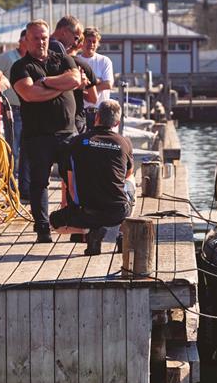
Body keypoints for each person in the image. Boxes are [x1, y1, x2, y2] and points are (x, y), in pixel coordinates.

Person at [10, 19, 81, 244]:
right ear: (26, 40)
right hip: (38, 136)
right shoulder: (20, 67)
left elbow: (76, 79)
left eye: (44, 37)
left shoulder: (63, 58)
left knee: (73, 180)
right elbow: (30, 94)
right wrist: (60, 88)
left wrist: (47, 82)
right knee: (39, 182)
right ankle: (42, 228)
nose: (41, 42)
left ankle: (73, 223)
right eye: (36, 38)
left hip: (67, 133)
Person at [50, 99, 134, 255]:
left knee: (54, 223)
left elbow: (69, 181)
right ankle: (122, 233)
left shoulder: (75, 142)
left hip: (86, 212)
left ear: (97, 118)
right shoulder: (124, 143)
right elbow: (127, 174)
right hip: (118, 211)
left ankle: (91, 231)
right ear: (116, 124)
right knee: (131, 180)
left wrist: (70, 207)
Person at [0, 28, 30, 200]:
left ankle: (25, 188)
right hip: (13, 109)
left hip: (29, 109)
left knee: (27, 151)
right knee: (13, 150)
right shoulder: (7, 58)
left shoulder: (32, 59)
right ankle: (10, 186)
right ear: (21, 41)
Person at [79, 27, 114, 129]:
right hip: (82, 113)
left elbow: (108, 84)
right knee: (83, 143)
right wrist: (98, 82)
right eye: (88, 41)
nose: (91, 44)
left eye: (94, 42)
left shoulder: (104, 61)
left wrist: (87, 88)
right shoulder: (76, 60)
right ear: (82, 42)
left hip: (101, 112)